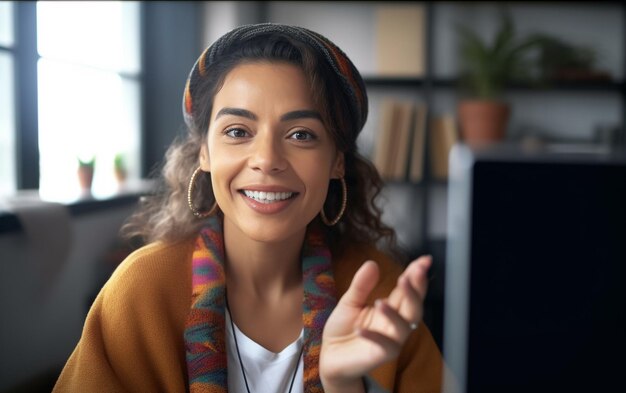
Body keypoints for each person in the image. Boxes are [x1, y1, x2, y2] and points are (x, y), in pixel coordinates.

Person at [53, 23, 443, 393]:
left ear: (337, 161)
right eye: (238, 132)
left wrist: (344, 386)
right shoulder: (141, 291)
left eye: (301, 134)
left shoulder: (379, 293)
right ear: (204, 151)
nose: (267, 159)